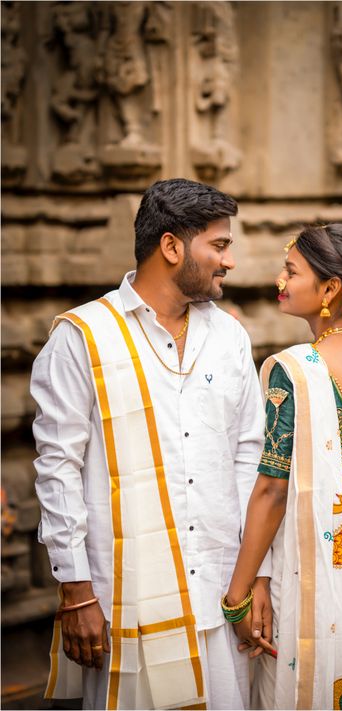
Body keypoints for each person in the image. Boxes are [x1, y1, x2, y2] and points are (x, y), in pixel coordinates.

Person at [31, 178, 273, 711]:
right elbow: (59, 468)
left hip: (220, 593)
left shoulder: (229, 336)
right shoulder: (82, 337)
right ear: (171, 246)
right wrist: (76, 591)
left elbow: (248, 457)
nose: (228, 261)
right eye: (219, 244)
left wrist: (258, 576)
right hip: (126, 599)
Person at [222, 224, 342, 710]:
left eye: (291, 271)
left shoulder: (294, 369)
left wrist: (239, 595)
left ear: (330, 289)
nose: (279, 280)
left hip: (324, 560)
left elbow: (272, 490)